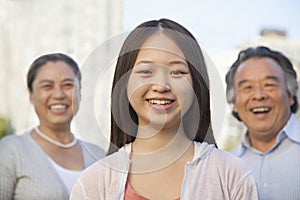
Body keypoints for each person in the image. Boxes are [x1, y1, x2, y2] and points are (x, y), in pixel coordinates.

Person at [70, 18, 258, 200]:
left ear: (196, 85)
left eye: (177, 72)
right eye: (146, 71)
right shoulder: (93, 183)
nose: (161, 85)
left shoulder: (231, 175)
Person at [0, 53, 106, 199]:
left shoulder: (99, 157)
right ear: (31, 94)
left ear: (80, 92)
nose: (59, 94)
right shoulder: (10, 152)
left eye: (68, 85)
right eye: (47, 86)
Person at [226, 46, 300, 200]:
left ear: (290, 94)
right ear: (234, 103)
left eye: (269, 85)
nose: (258, 95)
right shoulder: (225, 165)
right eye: (247, 87)